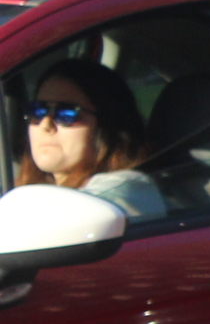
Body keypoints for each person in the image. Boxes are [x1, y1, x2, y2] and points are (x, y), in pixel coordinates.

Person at [15, 61, 166, 219]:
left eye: (67, 113)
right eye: (38, 111)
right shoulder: (32, 195)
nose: (46, 125)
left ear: (106, 126)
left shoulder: (126, 189)